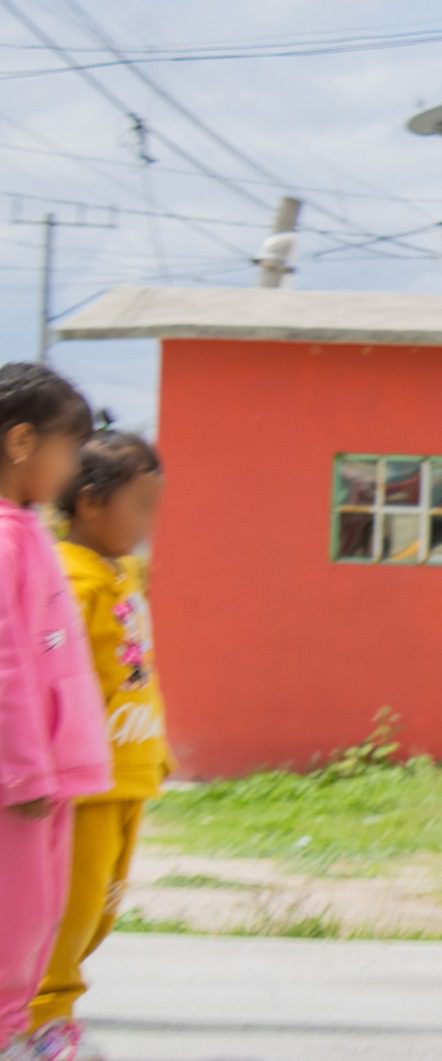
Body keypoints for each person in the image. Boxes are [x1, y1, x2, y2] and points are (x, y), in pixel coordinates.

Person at [30, 432, 168, 1058]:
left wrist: (157, 751)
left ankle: (52, 1013)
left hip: (130, 776)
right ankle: (40, 1018)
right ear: (88, 503)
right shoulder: (69, 580)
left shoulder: (121, 575)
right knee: (72, 910)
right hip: (85, 785)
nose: (148, 523)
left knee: (103, 910)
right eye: (141, 506)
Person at [0, 364, 109, 1061]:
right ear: (21, 442)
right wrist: (22, 769)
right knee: (14, 919)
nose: (74, 470)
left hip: (50, 773)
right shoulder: (5, 538)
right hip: (21, 780)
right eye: (69, 450)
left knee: (41, 916)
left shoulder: (29, 530)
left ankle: (20, 1026)